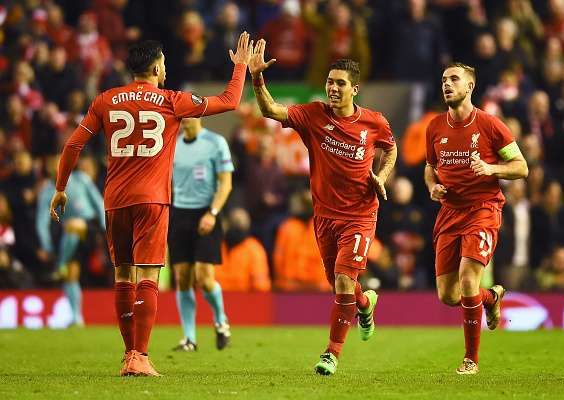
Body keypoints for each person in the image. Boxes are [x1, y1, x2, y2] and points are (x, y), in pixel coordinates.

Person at [49, 33, 253, 377]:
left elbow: (73, 144)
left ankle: (128, 354)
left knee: (122, 275)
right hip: (152, 200)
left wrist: (60, 187)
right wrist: (240, 67)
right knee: (148, 276)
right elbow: (230, 101)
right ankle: (140, 356)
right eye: (164, 64)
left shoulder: (106, 100)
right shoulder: (173, 101)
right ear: (157, 67)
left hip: (115, 201)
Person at [248, 40, 397, 375]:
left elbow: (391, 149)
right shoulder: (313, 115)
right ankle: (364, 303)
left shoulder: (374, 122)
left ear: (354, 89)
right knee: (340, 285)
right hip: (324, 215)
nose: (333, 87)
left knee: (344, 279)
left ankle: (331, 353)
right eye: (330, 82)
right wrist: (257, 79)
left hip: (359, 214)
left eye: (340, 83)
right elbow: (271, 110)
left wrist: (382, 176)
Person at [424, 62, 529, 375]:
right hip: (449, 213)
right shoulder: (435, 127)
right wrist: (433, 186)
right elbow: (430, 167)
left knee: (468, 278)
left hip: (483, 208)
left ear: (470, 87)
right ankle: (491, 296)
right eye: (444, 80)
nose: (447, 85)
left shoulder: (490, 125)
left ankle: (471, 359)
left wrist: (492, 169)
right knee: (448, 294)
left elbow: (522, 167)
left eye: (454, 79)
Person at [169, 117, 233, 352]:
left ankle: (220, 320)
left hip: (207, 212)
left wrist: (213, 212)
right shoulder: (172, 144)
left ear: (199, 115)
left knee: (204, 277)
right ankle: (189, 338)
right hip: (179, 213)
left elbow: (226, 183)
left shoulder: (215, 143)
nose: (185, 118)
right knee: (183, 277)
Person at [37, 154, 106, 327]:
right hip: (71, 236)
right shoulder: (47, 190)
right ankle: (77, 318)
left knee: (74, 224)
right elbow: (42, 222)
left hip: (91, 227)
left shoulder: (81, 179)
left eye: (59, 163)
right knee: (71, 274)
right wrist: (46, 245)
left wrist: (108, 230)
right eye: (53, 164)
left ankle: (59, 264)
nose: (56, 167)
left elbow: (98, 203)